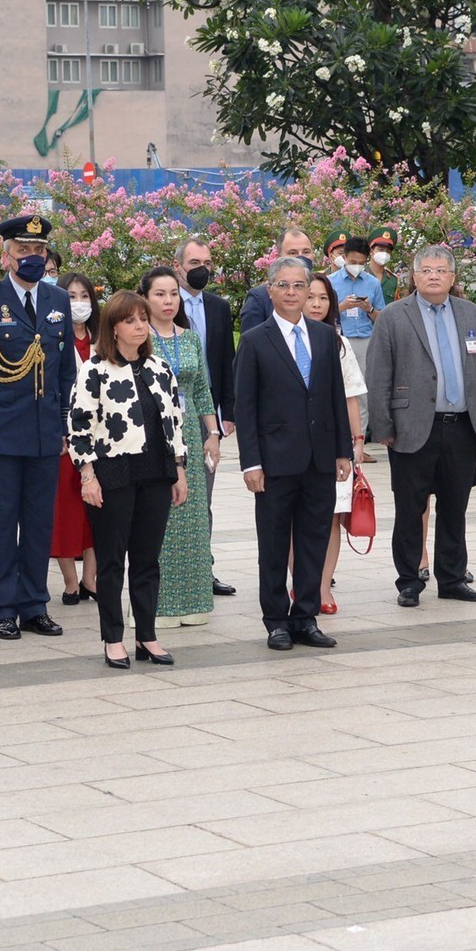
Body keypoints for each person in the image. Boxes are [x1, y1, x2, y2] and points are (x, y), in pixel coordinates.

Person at [0, 214, 76, 641]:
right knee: (3, 523)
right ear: (6, 256)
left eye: (39, 251)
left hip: (45, 431)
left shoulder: (57, 299)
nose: (32, 257)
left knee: (39, 522)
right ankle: (5, 606)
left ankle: (34, 605)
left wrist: (66, 425)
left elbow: (64, 371)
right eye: (24, 251)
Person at [364, 244, 476, 608]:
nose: (434, 275)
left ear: (453, 277)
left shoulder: (472, 314)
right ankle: (409, 581)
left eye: (441, 270)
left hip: (460, 427)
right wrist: (382, 427)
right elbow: (378, 376)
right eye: (426, 270)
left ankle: (453, 578)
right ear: (414, 276)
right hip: (411, 426)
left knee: (455, 506)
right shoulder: (393, 316)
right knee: (410, 508)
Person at [234, 255, 352, 651]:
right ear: (270, 290)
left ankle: (305, 616)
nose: (291, 292)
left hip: (319, 459)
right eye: (282, 285)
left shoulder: (323, 336)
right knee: (272, 543)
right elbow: (244, 407)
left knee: (313, 539)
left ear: (308, 291)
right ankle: (276, 621)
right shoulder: (254, 340)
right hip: (274, 461)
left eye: (298, 285)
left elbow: (335, 396)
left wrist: (343, 452)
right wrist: (251, 462)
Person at [68, 289, 190, 667]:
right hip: (113, 475)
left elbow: (174, 423)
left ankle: (147, 636)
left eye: (142, 318)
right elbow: (78, 426)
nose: (139, 326)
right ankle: (113, 638)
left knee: (147, 560)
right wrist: (88, 475)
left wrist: (180, 469)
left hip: (156, 473)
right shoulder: (95, 370)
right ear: (114, 328)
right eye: (130, 320)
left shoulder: (159, 368)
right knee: (110, 561)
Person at [140, 266, 220, 628]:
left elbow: (202, 388)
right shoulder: (139, 338)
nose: (168, 301)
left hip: (188, 433)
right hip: (151, 435)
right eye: (159, 294)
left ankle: (194, 600)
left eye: (173, 293)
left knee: (192, 516)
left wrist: (213, 434)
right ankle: (157, 603)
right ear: (145, 298)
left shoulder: (189, 338)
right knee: (159, 518)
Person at [175, 238, 237, 598]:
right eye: (195, 260)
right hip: (168, 416)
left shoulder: (218, 306)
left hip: (206, 415)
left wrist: (226, 413)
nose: (202, 267)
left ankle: (203, 568)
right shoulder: (163, 303)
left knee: (204, 499)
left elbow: (226, 362)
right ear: (178, 264)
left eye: (208, 261)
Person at [306, 273, 370, 614]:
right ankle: (300, 583)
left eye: (323, 298)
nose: (316, 304)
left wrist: (356, 441)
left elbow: (350, 398)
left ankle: (322, 587)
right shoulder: (284, 340)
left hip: (334, 445)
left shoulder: (339, 344)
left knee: (331, 517)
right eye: (311, 297)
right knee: (295, 519)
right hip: (297, 444)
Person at [52, 273, 100, 606]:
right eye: (70, 296)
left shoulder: (102, 338)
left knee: (97, 511)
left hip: (100, 437)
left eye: (84, 295)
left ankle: (91, 580)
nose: (78, 302)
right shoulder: (51, 338)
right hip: (65, 439)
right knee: (65, 511)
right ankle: (70, 582)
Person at [327, 233, 386, 456]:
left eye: (361, 263)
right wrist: (341, 306)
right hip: (338, 339)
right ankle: (334, 443)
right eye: (352, 262)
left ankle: (357, 445)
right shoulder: (330, 282)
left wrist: (369, 309)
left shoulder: (373, 283)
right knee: (335, 392)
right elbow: (321, 313)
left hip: (364, 341)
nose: (357, 267)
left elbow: (382, 318)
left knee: (361, 394)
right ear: (344, 258)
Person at [238, 227, 315, 335]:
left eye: (306, 252)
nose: (300, 257)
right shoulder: (260, 298)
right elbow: (250, 344)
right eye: (293, 253)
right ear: (279, 257)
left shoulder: (326, 291)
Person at [366, 226, 402, 306]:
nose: (384, 254)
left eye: (388, 251)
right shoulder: (361, 274)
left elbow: (396, 307)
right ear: (371, 251)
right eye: (381, 250)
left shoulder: (393, 280)